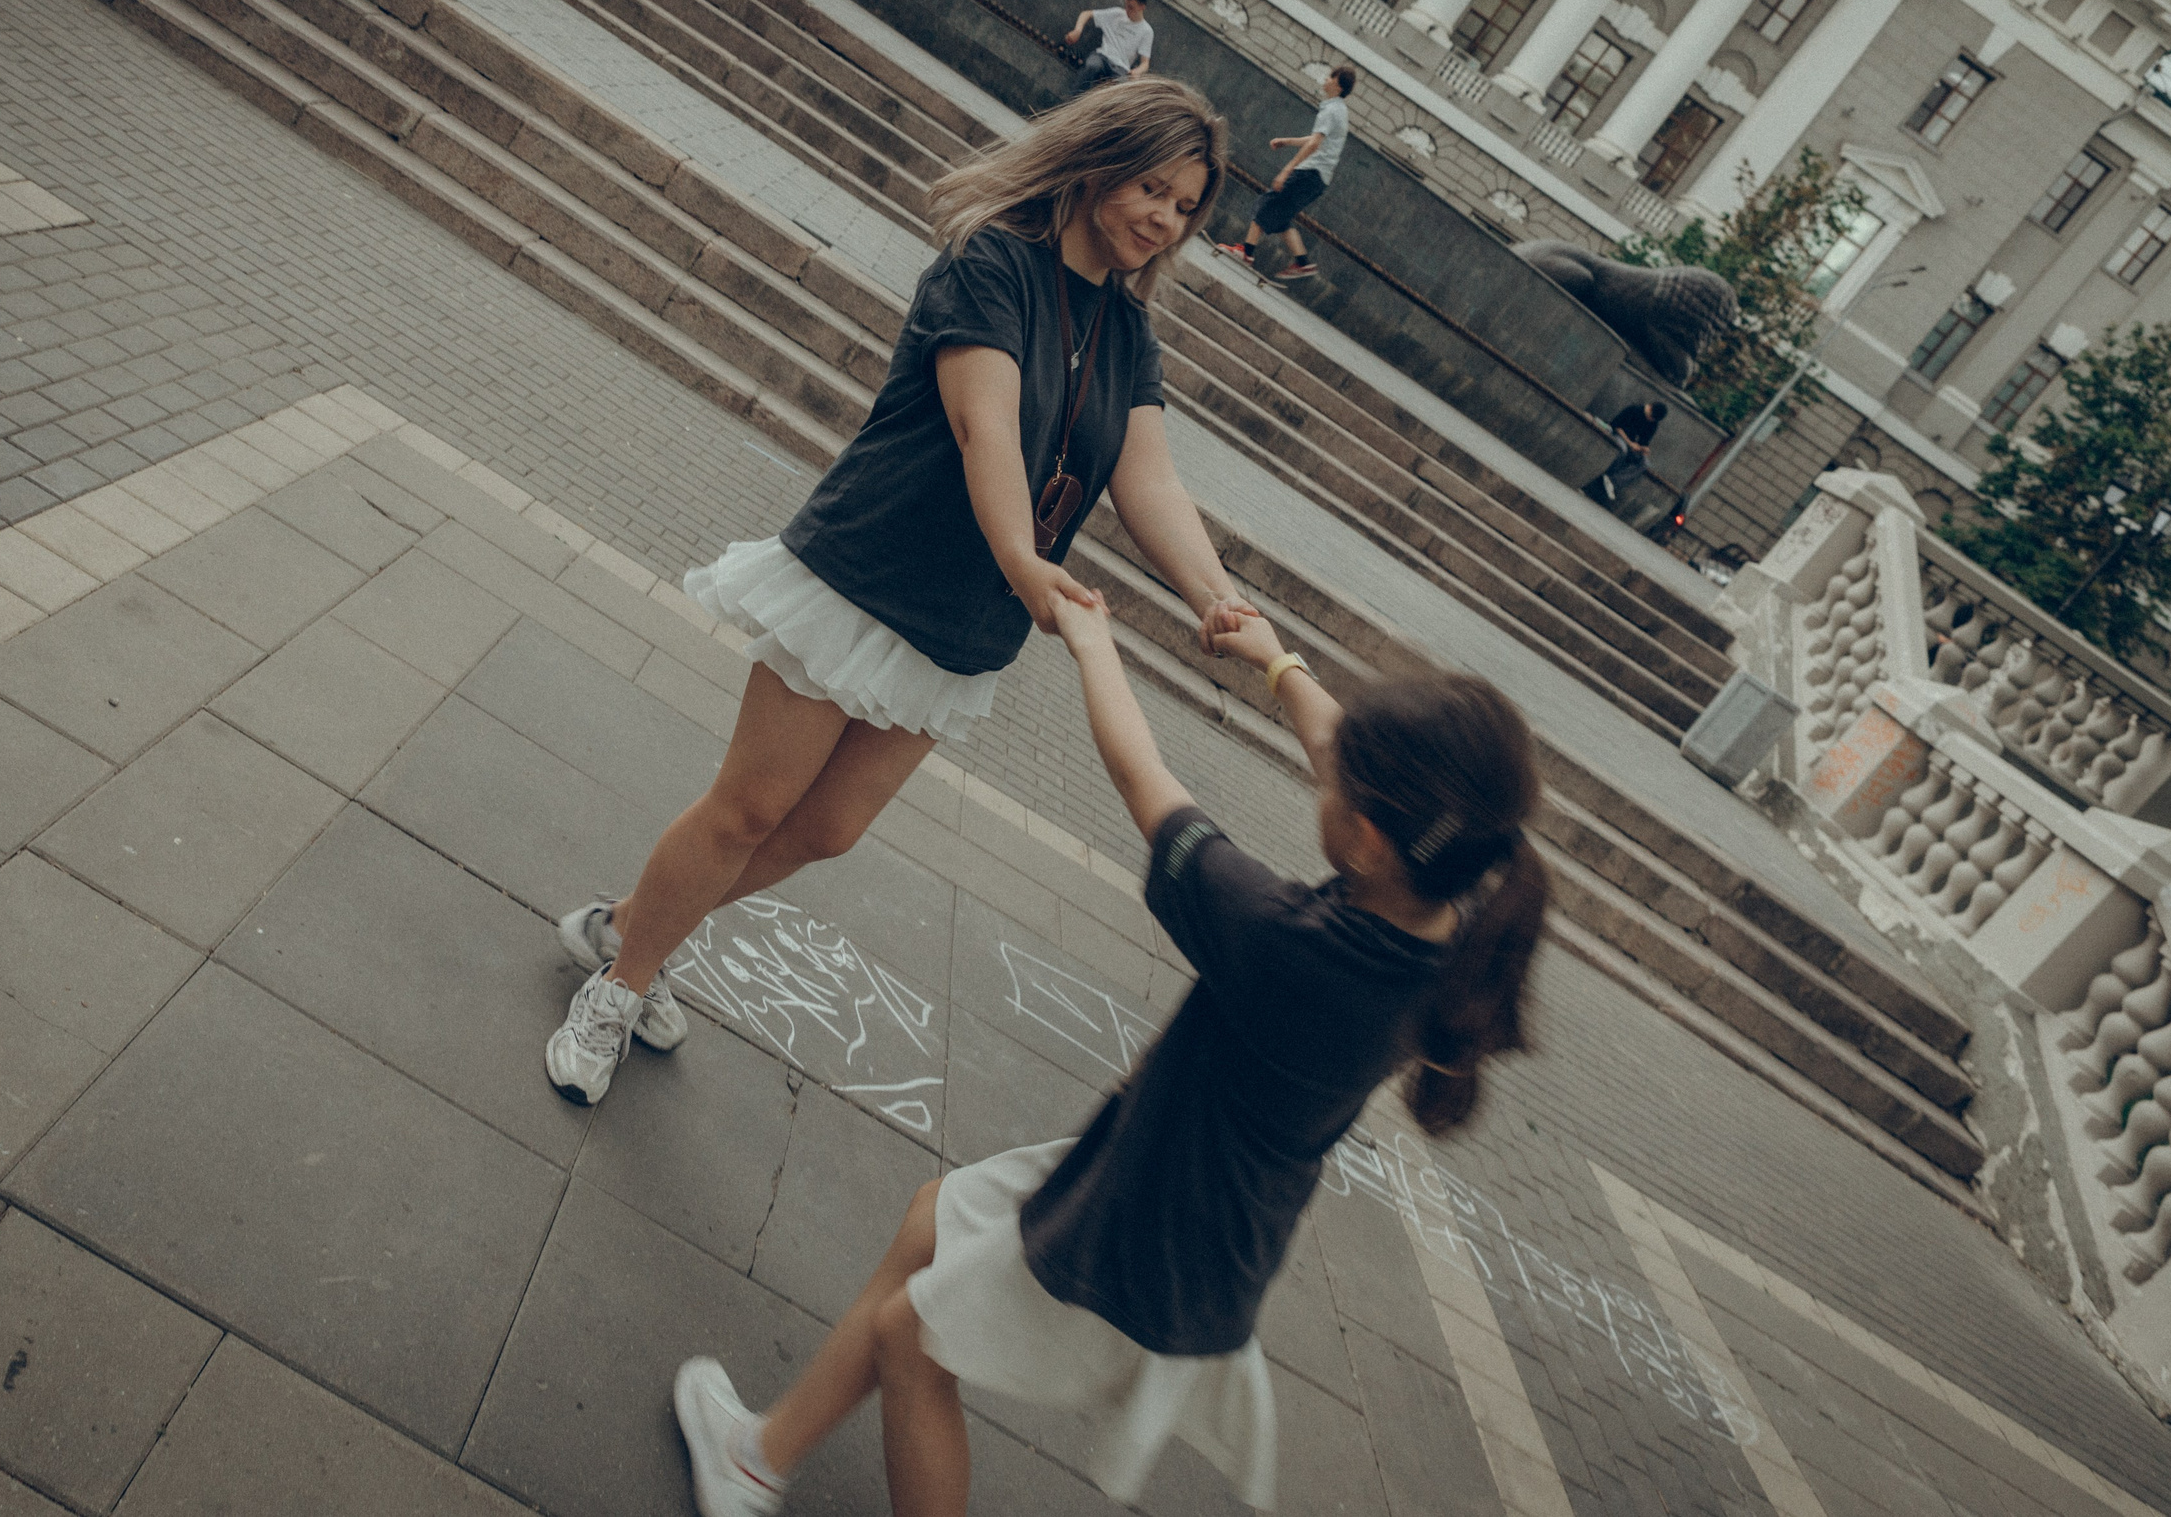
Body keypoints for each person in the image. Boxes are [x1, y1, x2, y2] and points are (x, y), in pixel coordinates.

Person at [669, 603, 1550, 1516]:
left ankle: (756, 1464)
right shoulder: (1456, 909)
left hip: (1152, 1232)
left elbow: (1146, 781)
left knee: (911, 1339)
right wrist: (1279, 664)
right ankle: (755, 1460)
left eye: (1340, 788)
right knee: (934, 1220)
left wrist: (1094, 645)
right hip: (1177, 1179)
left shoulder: (1285, 945)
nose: (1323, 779)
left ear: (1368, 837)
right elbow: (1352, 758)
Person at [544, 77, 1263, 1106]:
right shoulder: (992, 265)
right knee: (749, 807)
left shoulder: (1129, 334)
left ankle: (633, 922)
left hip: (964, 621)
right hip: (868, 570)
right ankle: (622, 981)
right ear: (1097, 165)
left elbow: (1147, 479)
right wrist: (1024, 560)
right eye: (1150, 187)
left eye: (1185, 205)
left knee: (826, 832)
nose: (1164, 218)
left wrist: (1213, 596)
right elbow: (985, 425)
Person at [1217, 65, 1354, 283]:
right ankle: (1302, 263)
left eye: (1330, 76)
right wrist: (1287, 141)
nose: (1325, 79)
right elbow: (1315, 140)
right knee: (1282, 217)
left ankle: (1246, 252)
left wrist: (1287, 169)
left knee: (1268, 201)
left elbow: (1314, 145)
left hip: (1310, 172)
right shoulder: (1339, 110)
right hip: (1319, 179)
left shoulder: (1331, 111)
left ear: (1338, 85)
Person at [1063, 0, 1153, 97]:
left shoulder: (1147, 31)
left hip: (1121, 67)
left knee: (1122, 90)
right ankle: (1073, 100)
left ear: (1142, 7)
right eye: (1126, 5)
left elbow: (1145, 63)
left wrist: (1138, 71)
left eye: (1131, 7)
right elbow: (1087, 14)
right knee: (1092, 66)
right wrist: (1078, 30)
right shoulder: (1117, 14)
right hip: (1103, 56)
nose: (1127, 10)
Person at [1583, 399, 1668, 506]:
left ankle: (1613, 481)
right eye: (1650, 417)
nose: (1650, 420)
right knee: (1622, 450)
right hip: (1618, 436)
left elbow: (1644, 441)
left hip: (1632, 444)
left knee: (1645, 464)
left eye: (1653, 419)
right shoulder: (1634, 410)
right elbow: (1617, 426)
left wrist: (1643, 449)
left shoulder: (1653, 424)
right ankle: (1606, 476)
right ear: (1649, 408)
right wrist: (1630, 443)